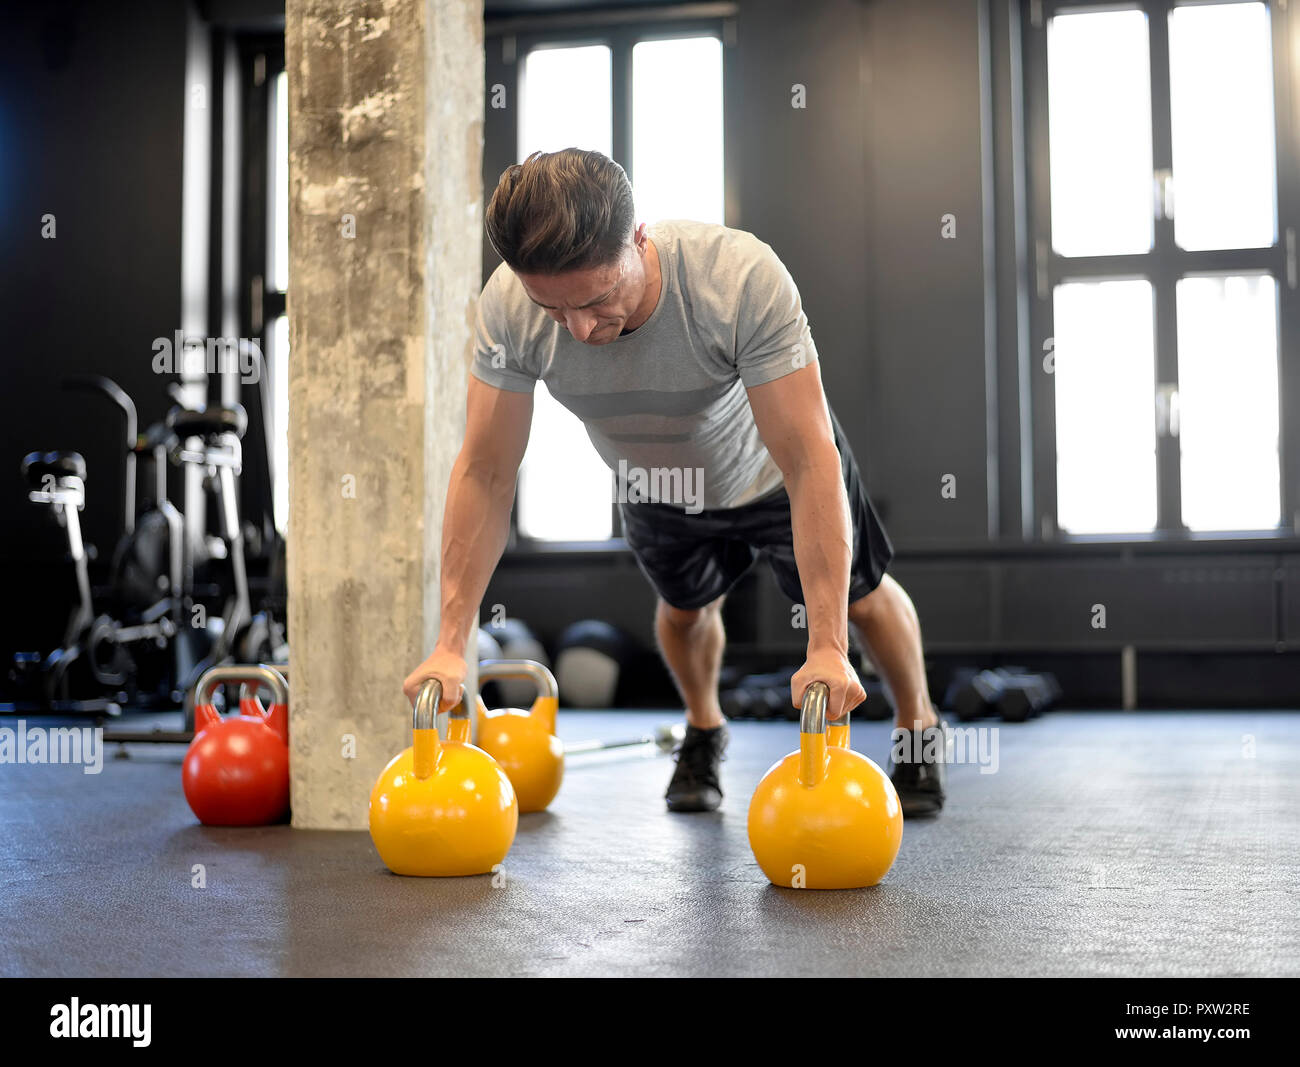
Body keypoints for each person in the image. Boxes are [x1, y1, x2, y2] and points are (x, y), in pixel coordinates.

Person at [402, 148, 947, 817]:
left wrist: (828, 647)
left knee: (860, 600)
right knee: (684, 614)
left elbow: (809, 459)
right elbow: (484, 472)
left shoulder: (737, 278)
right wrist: (451, 643)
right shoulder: (508, 309)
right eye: (554, 309)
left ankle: (918, 728)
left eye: (597, 299)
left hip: (774, 473)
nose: (580, 330)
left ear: (639, 238)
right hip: (656, 486)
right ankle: (704, 727)